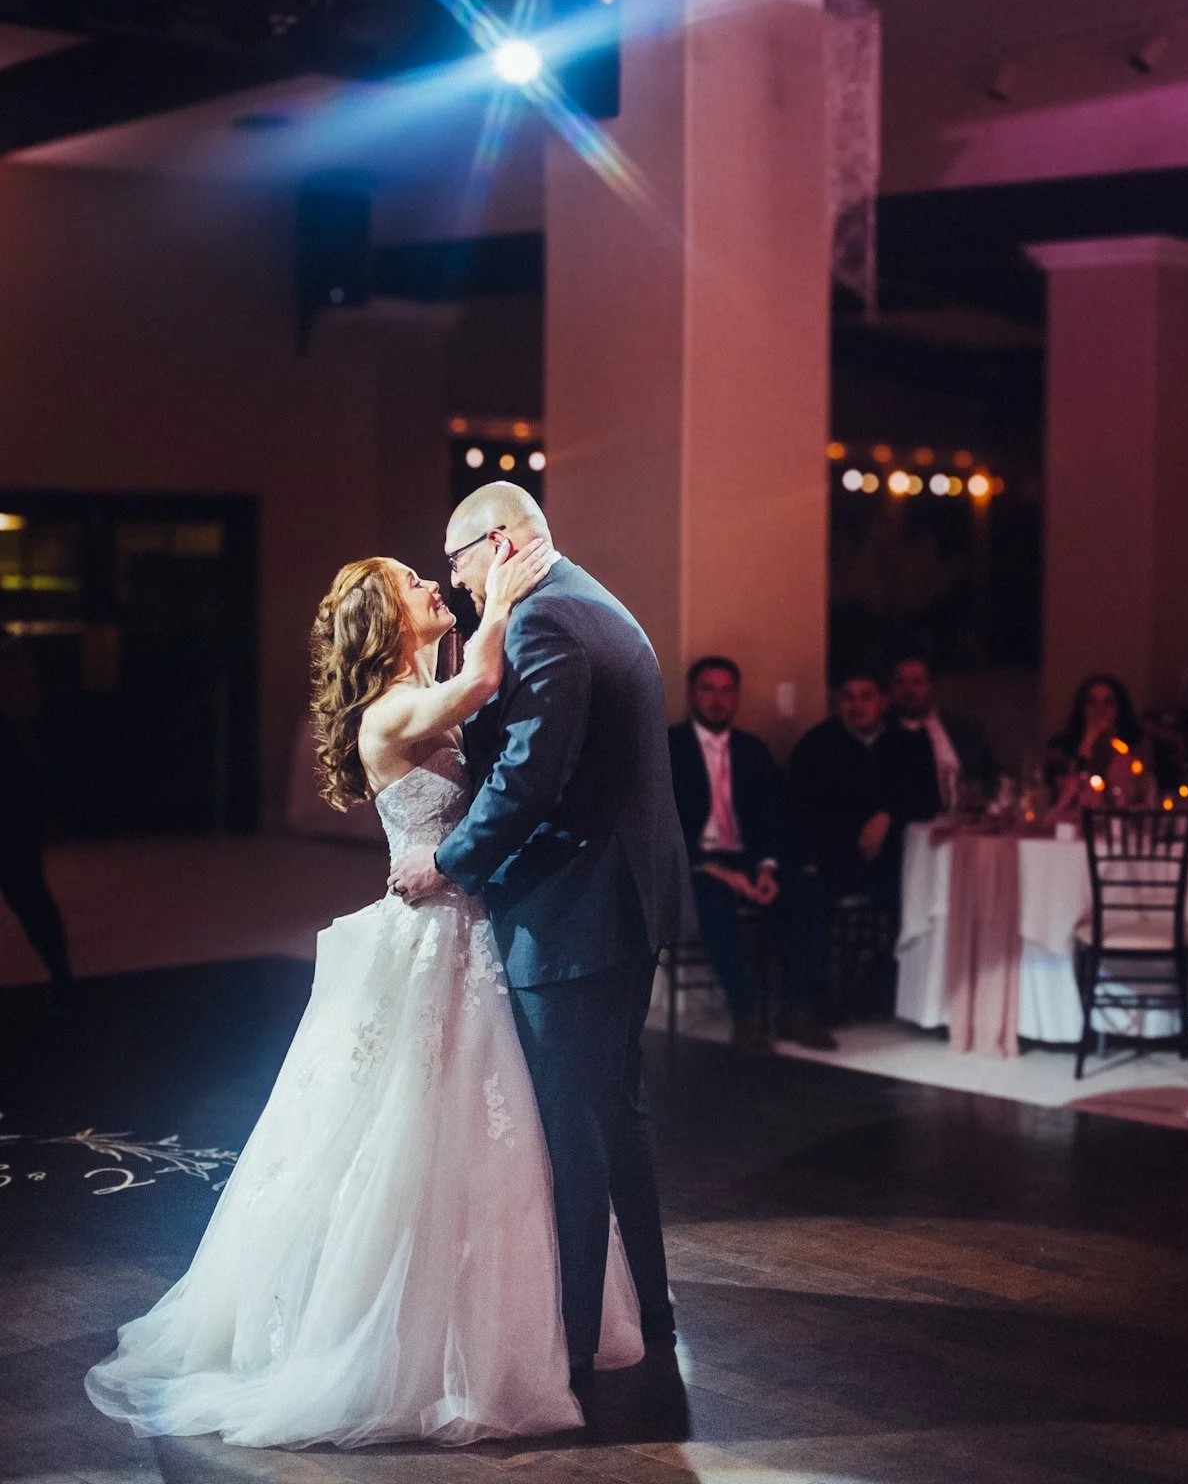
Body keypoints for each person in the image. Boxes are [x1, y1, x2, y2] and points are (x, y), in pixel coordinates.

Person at [88, 533, 645, 1447]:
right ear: (386, 622)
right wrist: (501, 594)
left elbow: (480, 707)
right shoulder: (389, 711)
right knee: (402, 1136)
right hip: (428, 942)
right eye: (414, 585)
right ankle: (387, 1341)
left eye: (433, 577)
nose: (434, 585)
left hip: (472, 935)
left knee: (485, 1134)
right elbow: (473, 691)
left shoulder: (420, 690)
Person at [390, 484, 692, 1388]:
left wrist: (448, 861)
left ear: (498, 542)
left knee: (573, 1133)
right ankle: (654, 1315)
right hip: (620, 904)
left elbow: (530, 779)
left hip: (577, 914)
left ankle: (572, 1348)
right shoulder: (589, 601)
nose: (454, 577)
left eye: (456, 559)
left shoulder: (545, 622)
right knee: (619, 1117)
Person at [668, 656, 832, 1054]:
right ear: (692, 694)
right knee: (714, 896)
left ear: (737, 697)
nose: (718, 700)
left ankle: (795, 1008)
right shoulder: (670, 748)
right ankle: (744, 1017)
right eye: (708, 689)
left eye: (727, 691)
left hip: (745, 857)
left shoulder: (752, 750)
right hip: (695, 862)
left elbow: (772, 818)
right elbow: (661, 822)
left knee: (807, 889)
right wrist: (719, 872)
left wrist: (767, 869)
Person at [788, 669, 940, 1006]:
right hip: (836, 856)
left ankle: (905, 990)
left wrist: (889, 817)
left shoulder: (910, 743)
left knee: (928, 889)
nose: (856, 706)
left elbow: (929, 802)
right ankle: (814, 1001)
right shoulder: (817, 746)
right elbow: (801, 811)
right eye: (848, 697)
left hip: (895, 857)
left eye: (866, 696)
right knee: (809, 892)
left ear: (884, 702)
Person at [0, 629, 74, 1006]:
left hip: (14, 799)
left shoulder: (9, 649)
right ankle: (63, 977)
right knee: (30, 894)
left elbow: (25, 704)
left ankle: (63, 976)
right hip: (16, 796)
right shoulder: (10, 647)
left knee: (29, 893)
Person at [887, 654, 1000, 813]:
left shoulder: (964, 728)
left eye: (916, 682)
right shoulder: (884, 733)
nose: (909, 690)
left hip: (969, 819)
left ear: (931, 685)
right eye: (901, 683)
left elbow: (991, 774)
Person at [1043, 672, 1143, 817]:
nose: (1099, 709)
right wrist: (1087, 743)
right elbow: (1061, 798)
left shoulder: (1134, 747)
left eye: (1108, 703)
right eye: (1092, 702)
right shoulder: (1061, 747)